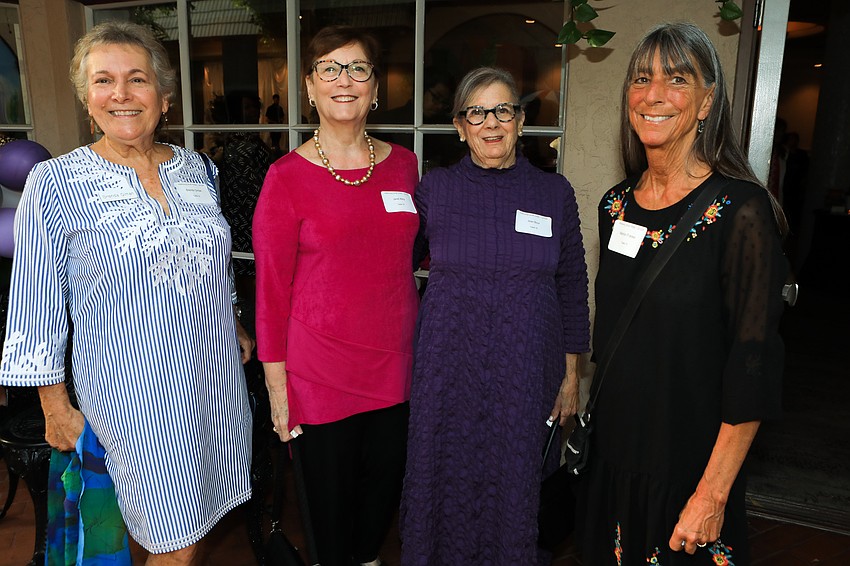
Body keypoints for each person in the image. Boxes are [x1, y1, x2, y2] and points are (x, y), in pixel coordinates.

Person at [0, 21, 254, 564]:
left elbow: (213, 259)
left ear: (164, 97)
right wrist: (53, 404)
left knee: (200, 518)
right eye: (104, 80)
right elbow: (35, 301)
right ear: (87, 98)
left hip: (215, 384)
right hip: (134, 398)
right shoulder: (56, 182)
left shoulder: (199, 169)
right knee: (174, 539)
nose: (121, 93)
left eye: (137, 79)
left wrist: (232, 318)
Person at [577, 22, 788, 565]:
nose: (653, 95)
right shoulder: (614, 206)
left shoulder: (740, 211)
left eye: (676, 79)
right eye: (641, 78)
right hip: (612, 460)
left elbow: (753, 363)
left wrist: (712, 495)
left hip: (689, 472)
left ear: (706, 102)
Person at [400, 66, 591, 565]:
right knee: (444, 474)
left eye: (502, 110)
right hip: (447, 370)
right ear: (460, 126)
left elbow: (573, 286)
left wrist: (571, 375)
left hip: (527, 373)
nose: (491, 123)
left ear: (521, 121)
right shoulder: (435, 190)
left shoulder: (554, 193)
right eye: (477, 113)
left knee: (516, 480)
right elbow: (391, 267)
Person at [253, 25, 419, 566]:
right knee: (329, 516)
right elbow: (270, 291)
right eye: (329, 68)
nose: (343, 80)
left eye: (357, 69)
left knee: (379, 502)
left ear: (375, 86)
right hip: (319, 375)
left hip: (394, 365)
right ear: (309, 86)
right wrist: (278, 389)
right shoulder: (285, 177)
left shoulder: (404, 166)